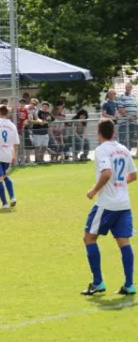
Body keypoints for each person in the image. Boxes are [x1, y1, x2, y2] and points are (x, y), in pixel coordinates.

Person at [81, 119, 136, 296]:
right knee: (124, 242)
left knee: (89, 237)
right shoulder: (124, 149)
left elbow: (106, 172)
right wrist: (120, 184)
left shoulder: (101, 150)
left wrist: (93, 190)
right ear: (113, 131)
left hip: (107, 204)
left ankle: (98, 283)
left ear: (99, 133)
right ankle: (129, 285)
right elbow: (133, 175)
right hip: (124, 204)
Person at [117, 82, 138, 154]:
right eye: (127, 87)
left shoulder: (133, 97)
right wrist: (127, 116)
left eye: (130, 87)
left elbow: (136, 107)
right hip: (124, 121)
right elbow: (120, 108)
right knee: (123, 137)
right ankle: (121, 153)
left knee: (131, 137)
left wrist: (136, 114)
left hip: (133, 121)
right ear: (125, 88)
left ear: (132, 88)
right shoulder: (121, 96)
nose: (129, 88)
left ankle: (127, 153)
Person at [16, 99, 30, 165]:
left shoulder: (26, 111)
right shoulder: (16, 110)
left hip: (22, 130)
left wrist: (25, 123)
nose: (22, 104)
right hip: (15, 130)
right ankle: (16, 160)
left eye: (23, 103)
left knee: (21, 146)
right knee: (16, 146)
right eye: (21, 103)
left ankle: (22, 160)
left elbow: (27, 120)